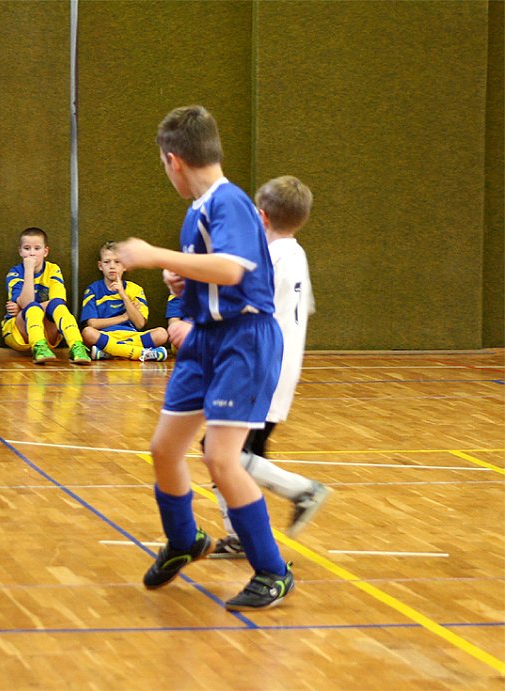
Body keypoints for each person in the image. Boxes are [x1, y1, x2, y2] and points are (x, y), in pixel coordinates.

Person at [115, 105, 293, 610]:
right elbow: (214, 270)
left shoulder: (228, 201)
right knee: (165, 448)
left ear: (174, 161)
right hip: (207, 339)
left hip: (243, 340)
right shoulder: (200, 210)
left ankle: (273, 570)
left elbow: (234, 270)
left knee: (220, 457)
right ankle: (184, 539)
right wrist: (183, 278)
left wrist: (157, 257)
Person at [209, 176, 331, 558]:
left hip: (259, 367)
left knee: (221, 454)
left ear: (260, 216)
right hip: (281, 367)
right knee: (244, 454)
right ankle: (242, 536)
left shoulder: (268, 260)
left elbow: (241, 308)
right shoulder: (296, 256)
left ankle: (302, 490)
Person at [2, 226, 91, 365]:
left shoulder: (53, 269)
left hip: (48, 330)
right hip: (18, 332)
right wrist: (29, 271)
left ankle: (77, 346)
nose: (32, 253)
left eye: (37, 248)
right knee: (32, 308)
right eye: (27, 248)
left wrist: (22, 307)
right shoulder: (15, 273)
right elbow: (27, 303)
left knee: (58, 306)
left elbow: (57, 301)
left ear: (45, 251)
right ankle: (39, 347)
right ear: (20, 251)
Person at [79, 240, 168, 362]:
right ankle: (140, 353)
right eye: (107, 262)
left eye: (117, 262)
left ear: (125, 265)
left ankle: (110, 352)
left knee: (161, 334)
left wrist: (123, 295)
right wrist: (124, 317)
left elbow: (140, 324)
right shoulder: (93, 289)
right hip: (106, 336)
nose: (112, 266)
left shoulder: (135, 289)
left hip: (132, 336)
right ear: (100, 266)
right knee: (87, 333)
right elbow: (92, 324)